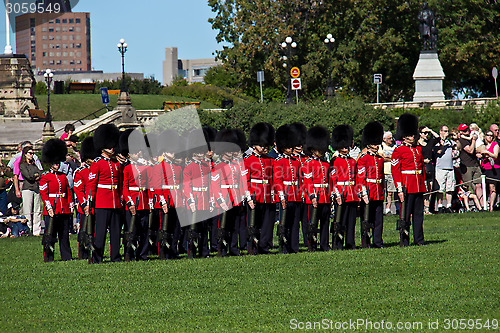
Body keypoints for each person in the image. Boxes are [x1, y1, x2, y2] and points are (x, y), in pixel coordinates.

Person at [85, 124, 123, 263]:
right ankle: (97, 257)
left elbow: (119, 184)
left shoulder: (116, 163)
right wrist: (89, 202)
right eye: (108, 145)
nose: (112, 148)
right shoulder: (97, 163)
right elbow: (91, 184)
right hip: (102, 202)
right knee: (100, 233)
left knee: (115, 232)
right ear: (102, 146)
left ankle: (115, 256)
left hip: (115, 201)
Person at [391, 113, 426, 247]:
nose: (413, 137)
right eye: (410, 135)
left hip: (417, 185)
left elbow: (421, 168)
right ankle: (404, 240)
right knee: (405, 215)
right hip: (407, 186)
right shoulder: (398, 151)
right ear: (404, 136)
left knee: (418, 216)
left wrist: (423, 185)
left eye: (413, 134)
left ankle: (419, 240)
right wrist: (399, 188)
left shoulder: (417, 149)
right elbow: (396, 171)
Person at [40, 139, 73, 262]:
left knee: (64, 234)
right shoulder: (45, 177)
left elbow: (68, 193)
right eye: (54, 162)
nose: (57, 165)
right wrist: (48, 207)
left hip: (63, 207)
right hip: (52, 208)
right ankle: (48, 257)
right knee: (50, 234)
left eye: (58, 162)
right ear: (50, 163)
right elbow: (44, 193)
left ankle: (66, 256)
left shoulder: (63, 176)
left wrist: (70, 205)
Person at [244, 122, 275, 254]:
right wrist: (248, 196)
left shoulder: (269, 160)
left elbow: (272, 179)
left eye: (265, 145)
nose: (264, 147)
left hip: (266, 195)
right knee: (253, 223)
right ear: (254, 145)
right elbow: (245, 180)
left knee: (266, 224)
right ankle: (252, 246)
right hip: (254, 194)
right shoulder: (247, 160)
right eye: (261, 145)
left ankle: (263, 245)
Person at [272, 125, 302, 254]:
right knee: (284, 223)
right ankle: (283, 246)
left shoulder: (296, 161)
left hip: (295, 195)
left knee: (295, 224)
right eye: (288, 146)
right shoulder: (278, 162)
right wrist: (281, 196)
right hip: (285, 195)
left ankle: (294, 247)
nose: (290, 148)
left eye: (291, 146)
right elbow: (277, 180)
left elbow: (300, 180)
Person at [357, 122, 385, 248]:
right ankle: (366, 241)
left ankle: (378, 241)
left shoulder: (379, 158)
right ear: (368, 144)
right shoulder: (363, 158)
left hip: (378, 190)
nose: (376, 145)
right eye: (374, 143)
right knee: (366, 218)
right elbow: (361, 177)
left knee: (378, 219)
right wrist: (363, 192)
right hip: (368, 190)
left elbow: (381, 177)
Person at [303, 126, 331, 252]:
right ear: (313, 149)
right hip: (315, 196)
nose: (321, 151)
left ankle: (325, 244)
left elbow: (329, 181)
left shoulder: (326, 164)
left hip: (325, 196)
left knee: (325, 222)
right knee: (313, 223)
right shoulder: (308, 163)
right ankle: (312, 245)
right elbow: (308, 182)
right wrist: (312, 196)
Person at [330, 125, 357, 250]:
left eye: (347, 146)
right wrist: (336, 194)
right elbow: (333, 180)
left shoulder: (352, 161)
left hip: (352, 193)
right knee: (340, 219)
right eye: (344, 146)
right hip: (341, 193)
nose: (346, 149)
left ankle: (350, 243)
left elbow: (355, 179)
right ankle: (338, 243)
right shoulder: (335, 161)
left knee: (351, 221)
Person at [73, 136, 97, 259]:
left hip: (96, 204)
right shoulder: (81, 172)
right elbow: (78, 190)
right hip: (85, 205)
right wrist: (84, 204)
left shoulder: (96, 169)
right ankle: (83, 253)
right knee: (84, 230)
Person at [457, 123, 483, 209]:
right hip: (467, 166)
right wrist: (473, 140)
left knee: (478, 185)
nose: (466, 131)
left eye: (467, 129)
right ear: (460, 132)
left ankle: (481, 205)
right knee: (467, 186)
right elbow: (470, 150)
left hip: (475, 164)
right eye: (464, 130)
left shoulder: (470, 138)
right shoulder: (461, 140)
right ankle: (467, 206)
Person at [18, 146, 43, 236]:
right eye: (30, 153)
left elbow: (39, 173)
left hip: (36, 188)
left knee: (37, 210)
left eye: (32, 153)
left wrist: (36, 175)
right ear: (25, 154)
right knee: (27, 210)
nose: (32, 155)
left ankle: (37, 231)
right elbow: (28, 176)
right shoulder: (23, 165)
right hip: (27, 188)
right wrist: (34, 175)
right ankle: (28, 229)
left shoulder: (34, 164)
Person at [433, 125, 456, 213]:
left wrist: (455, 137)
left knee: (450, 188)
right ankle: (440, 205)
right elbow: (438, 151)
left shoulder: (450, 142)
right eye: (445, 131)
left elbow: (458, 146)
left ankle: (449, 205)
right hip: (440, 168)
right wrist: (442, 142)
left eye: (447, 131)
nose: (447, 133)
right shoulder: (437, 142)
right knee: (440, 188)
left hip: (450, 167)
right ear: (440, 132)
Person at [417, 126, 439, 214]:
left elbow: (438, 138)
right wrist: (423, 161)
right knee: (423, 189)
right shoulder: (416, 144)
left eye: (427, 133)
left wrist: (430, 130)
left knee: (430, 189)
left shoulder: (429, 142)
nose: (426, 135)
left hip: (429, 167)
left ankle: (427, 208)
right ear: (420, 134)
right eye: (424, 133)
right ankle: (421, 208)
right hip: (421, 167)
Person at [479, 130, 500, 211]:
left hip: (493, 168)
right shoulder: (483, 145)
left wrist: (487, 153)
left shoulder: (495, 145)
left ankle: (491, 206)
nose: (489, 137)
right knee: (485, 188)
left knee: (492, 188)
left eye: (491, 135)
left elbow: (495, 155)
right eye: (488, 135)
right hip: (485, 168)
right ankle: (485, 205)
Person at [380, 131, 397, 215]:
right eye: (389, 138)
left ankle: (388, 209)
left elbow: (396, 158)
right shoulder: (381, 146)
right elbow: (381, 158)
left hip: (391, 172)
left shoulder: (394, 147)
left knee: (390, 192)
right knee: (382, 191)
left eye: (391, 138)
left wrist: (388, 158)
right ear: (384, 139)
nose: (391, 140)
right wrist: (390, 158)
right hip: (383, 172)